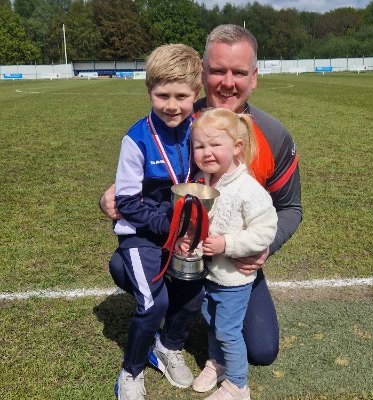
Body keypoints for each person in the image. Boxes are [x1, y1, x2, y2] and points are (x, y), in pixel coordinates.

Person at [101, 24, 302, 386]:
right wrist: (109, 196)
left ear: (254, 77)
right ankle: (168, 318)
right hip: (179, 242)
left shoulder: (273, 135)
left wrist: (263, 248)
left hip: (233, 256)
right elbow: (145, 171)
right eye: (218, 70)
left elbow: (291, 208)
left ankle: (191, 309)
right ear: (202, 73)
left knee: (261, 350)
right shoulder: (181, 116)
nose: (227, 82)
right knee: (123, 265)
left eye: (239, 72)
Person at [111, 43, 202, 400]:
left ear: (196, 93)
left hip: (185, 232)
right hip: (142, 234)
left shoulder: (201, 129)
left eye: (181, 95)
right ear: (149, 91)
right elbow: (125, 202)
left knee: (194, 295)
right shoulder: (136, 139)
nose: (172, 105)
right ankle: (131, 371)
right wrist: (169, 226)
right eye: (162, 95)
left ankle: (167, 345)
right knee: (154, 304)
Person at [175, 108, 278, 399]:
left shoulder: (248, 189)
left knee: (228, 330)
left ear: (237, 148)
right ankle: (217, 363)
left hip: (234, 279)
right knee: (210, 320)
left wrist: (227, 245)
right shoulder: (202, 181)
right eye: (199, 146)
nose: (206, 153)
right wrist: (188, 239)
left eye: (215, 145)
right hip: (210, 275)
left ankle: (237, 385)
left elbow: (265, 230)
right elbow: (197, 223)